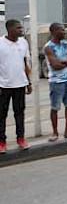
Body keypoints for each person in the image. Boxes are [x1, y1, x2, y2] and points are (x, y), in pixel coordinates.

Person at [44, 23, 67, 141]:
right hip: (56, 82)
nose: (64, 32)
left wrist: (63, 62)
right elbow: (55, 66)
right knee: (55, 107)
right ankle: (55, 133)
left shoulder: (66, 44)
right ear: (54, 31)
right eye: (61, 30)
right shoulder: (49, 47)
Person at [0, 20, 32, 152]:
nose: (21, 30)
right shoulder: (1, 43)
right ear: (10, 29)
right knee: (1, 115)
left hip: (20, 84)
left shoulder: (23, 42)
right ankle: (2, 142)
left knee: (19, 113)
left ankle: (21, 139)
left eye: (21, 27)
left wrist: (28, 82)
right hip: (3, 85)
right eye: (18, 28)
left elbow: (25, 62)